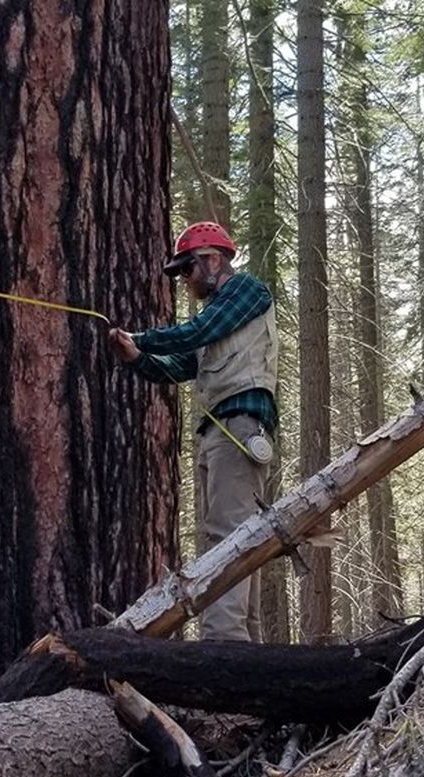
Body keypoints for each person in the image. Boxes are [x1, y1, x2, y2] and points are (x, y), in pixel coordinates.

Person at [109, 221, 278, 642]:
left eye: (187, 269)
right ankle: (243, 649)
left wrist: (144, 338)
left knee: (229, 537)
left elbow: (196, 333)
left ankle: (223, 647)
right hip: (221, 432)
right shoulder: (216, 319)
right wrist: (135, 357)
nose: (185, 280)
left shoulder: (245, 292)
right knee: (240, 537)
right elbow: (180, 367)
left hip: (238, 428)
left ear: (213, 261)